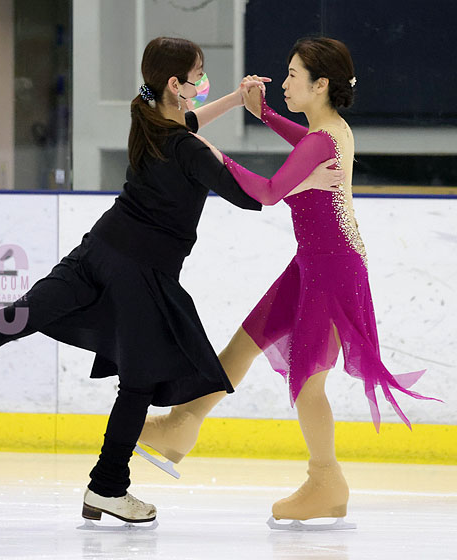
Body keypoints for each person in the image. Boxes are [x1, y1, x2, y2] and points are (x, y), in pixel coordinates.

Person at [0, 36, 341, 527]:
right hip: (142, 271)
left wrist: (231, 101)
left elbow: (185, 127)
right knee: (139, 380)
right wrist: (309, 180)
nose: (203, 83)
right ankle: (107, 488)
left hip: (96, 252)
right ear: (176, 83)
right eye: (198, 76)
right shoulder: (186, 148)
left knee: (14, 318)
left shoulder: (145, 121)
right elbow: (255, 198)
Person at [138, 36, 439, 527]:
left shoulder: (323, 138)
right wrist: (263, 116)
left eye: (294, 75)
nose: (285, 82)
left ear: (320, 85)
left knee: (307, 382)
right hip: (312, 264)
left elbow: (272, 191)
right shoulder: (328, 131)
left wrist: (207, 152)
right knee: (245, 343)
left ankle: (326, 481)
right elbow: (303, 150)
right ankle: (180, 425)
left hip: (331, 272)